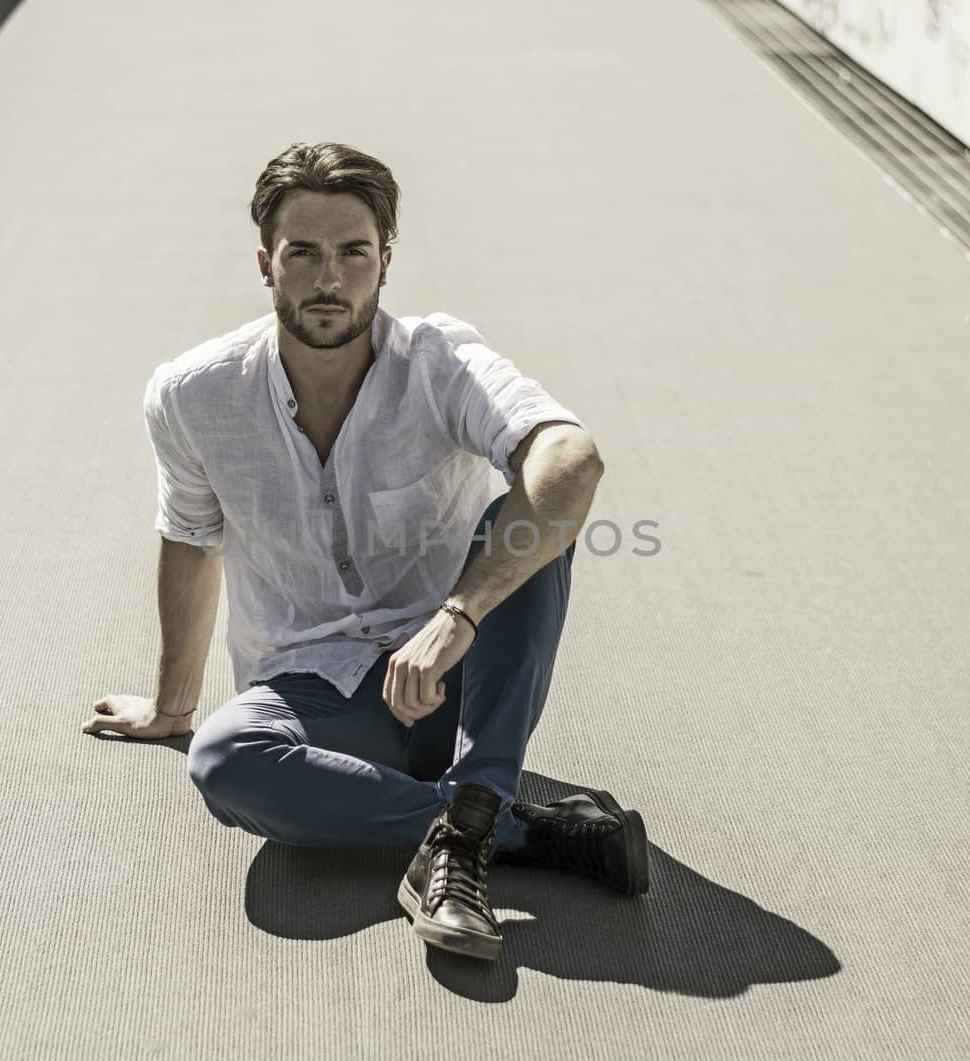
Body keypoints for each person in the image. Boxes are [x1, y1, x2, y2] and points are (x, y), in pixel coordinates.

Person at [82, 142, 649, 961]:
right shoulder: (194, 394)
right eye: (302, 253)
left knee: (528, 525)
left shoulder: (438, 360)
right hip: (320, 701)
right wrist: (172, 708)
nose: (328, 278)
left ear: (384, 263)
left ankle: (466, 829)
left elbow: (572, 457)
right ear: (265, 265)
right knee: (225, 759)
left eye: (353, 253)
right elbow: (189, 536)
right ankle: (497, 827)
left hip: (459, 682)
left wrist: (457, 615)